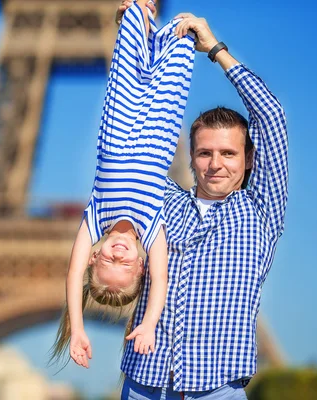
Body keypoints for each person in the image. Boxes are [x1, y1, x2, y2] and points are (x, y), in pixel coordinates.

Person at [115, 5, 289, 400]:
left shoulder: (261, 211)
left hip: (217, 389)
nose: (215, 165)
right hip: (145, 384)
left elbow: (272, 117)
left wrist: (215, 50)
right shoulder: (162, 200)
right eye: (205, 153)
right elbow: (129, 135)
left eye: (228, 154)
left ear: (249, 160)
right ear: (190, 157)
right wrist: (134, 36)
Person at [49, 0, 196, 368]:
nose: (117, 255)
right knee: (180, 45)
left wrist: (78, 328)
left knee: (127, 66)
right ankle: (156, 28)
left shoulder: (95, 220)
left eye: (107, 261)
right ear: (140, 267)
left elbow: (71, 275)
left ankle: (132, 20)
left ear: (93, 257)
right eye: (125, 264)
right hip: (158, 132)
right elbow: (161, 281)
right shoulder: (152, 232)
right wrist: (147, 324)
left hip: (118, 126)